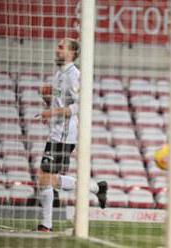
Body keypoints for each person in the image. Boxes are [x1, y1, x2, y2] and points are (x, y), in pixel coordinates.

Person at [36, 38, 107, 232]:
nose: (57, 49)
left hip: (65, 134)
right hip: (57, 132)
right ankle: (95, 188)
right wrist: (46, 97)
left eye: (61, 47)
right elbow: (58, 104)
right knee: (46, 178)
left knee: (45, 178)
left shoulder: (74, 75)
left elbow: (79, 105)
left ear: (72, 53)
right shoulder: (59, 73)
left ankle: (47, 224)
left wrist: (51, 113)